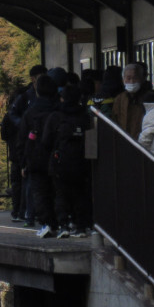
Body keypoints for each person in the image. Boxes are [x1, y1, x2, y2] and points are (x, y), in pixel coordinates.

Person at [41, 83, 92, 238]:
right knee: (80, 194)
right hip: (82, 162)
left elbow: (46, 141)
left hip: (60, 163)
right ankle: (81, 226)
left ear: (62, 98)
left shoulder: (55, 116)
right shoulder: (85, 117)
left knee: (61, 194)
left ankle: (64, 225)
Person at [2, 64, 48, 221]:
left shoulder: (45, 96)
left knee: (31, 180)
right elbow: (12, 114)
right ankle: (23, 211)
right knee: (23, 179)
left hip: (37, 142)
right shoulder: (26, 97)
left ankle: (30, 211)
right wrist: (22, 125)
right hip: (27, 142)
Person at [17, 73, 59, 236]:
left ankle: (47, 223)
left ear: (37, 91)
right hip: (57, 158)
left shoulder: (30, 112)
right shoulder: (58, 111)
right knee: (57, 192)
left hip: (36, 159)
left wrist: (23, 163)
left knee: (40, 193)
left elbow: (21, 140)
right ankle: (61, 221)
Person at [112, 62, 150, 139]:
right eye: (128, 78)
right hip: (123, 142)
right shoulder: (119, 99)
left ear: (142, 79)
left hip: (143, 142)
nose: (132, 81)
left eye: (135, 78)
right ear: (123, 79)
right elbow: (115, 121)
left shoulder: (149, 97)